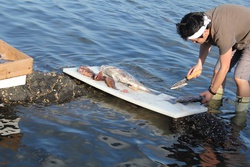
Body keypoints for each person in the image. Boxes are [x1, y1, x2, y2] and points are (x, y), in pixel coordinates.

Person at [176, 4, 250, 112]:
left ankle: (240, 116)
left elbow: (224, 68)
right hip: (237, 36)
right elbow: (206, 42)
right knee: (216, 72)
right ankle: (214, 107)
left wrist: (211, 92)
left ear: (205, 32)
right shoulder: (201, 21)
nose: (195, 43)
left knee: (239, 77)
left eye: (196, 41)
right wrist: (199, 64)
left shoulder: (222, 33)